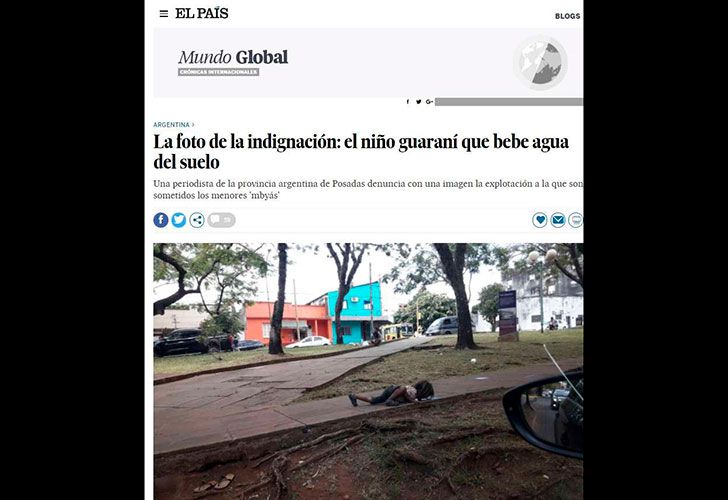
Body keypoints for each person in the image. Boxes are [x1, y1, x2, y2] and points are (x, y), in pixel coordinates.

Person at [348, 380, 434, 407]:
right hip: (393, 390)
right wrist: (411, 401)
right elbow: (403, 390)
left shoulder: (414, 394)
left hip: (390, 390)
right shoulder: (413, 391)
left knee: (374, 400)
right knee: (402, 389)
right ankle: (389, 400)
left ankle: (354, 396)